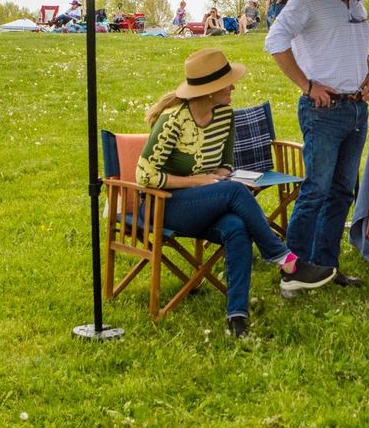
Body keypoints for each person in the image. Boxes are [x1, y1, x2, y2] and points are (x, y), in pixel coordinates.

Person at [138, 48, 335, 337]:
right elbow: (145, 175)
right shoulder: (173, 121)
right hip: (165, 206)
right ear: (208, 91)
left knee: (237, 227)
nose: (232, 87)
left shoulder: (224, 116)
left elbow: (225, 164)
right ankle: (286, 260)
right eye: (227, 83)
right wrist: (201, 182)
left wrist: (220, 176)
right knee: (232, 192)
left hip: (205, 202)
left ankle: (237, 317)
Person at [264, 0, 369, 289]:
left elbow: (358, 46)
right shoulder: (307, 0)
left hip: (356, 110)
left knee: (343, 191)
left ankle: (326, 267)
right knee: (316, 189)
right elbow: (275, 41)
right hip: (323, 112)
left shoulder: (356, 2)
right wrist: (307, 85)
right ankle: (294, 271)